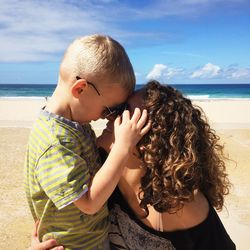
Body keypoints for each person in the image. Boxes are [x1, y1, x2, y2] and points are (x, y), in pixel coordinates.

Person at [30, 80, 236, 250]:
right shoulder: (98, 169)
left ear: (154, 139)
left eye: (124, 111)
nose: (108, 115)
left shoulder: (180, 205)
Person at [24, 34, 150, 250]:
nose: (107, 117)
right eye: (109, 109)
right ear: (80, 89)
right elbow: (89, 203)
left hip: (91, 238)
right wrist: (122, 146)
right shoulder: (54, 141)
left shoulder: (75, 125)